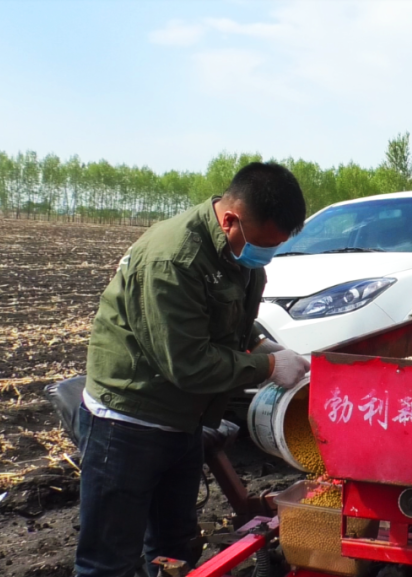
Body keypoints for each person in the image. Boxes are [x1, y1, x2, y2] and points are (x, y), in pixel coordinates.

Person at [76, 162, 311, 577]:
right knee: (109, 561)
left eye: (274, 247)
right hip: (129, 421)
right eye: (263, 244)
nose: (266, 255)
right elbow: (187, 363)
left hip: (183, 420)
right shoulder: (173, 259)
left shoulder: (236, 252)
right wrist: (269, 366)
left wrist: (259, 343)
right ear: (230, 219)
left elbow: (227, 319)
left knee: (174, 546)